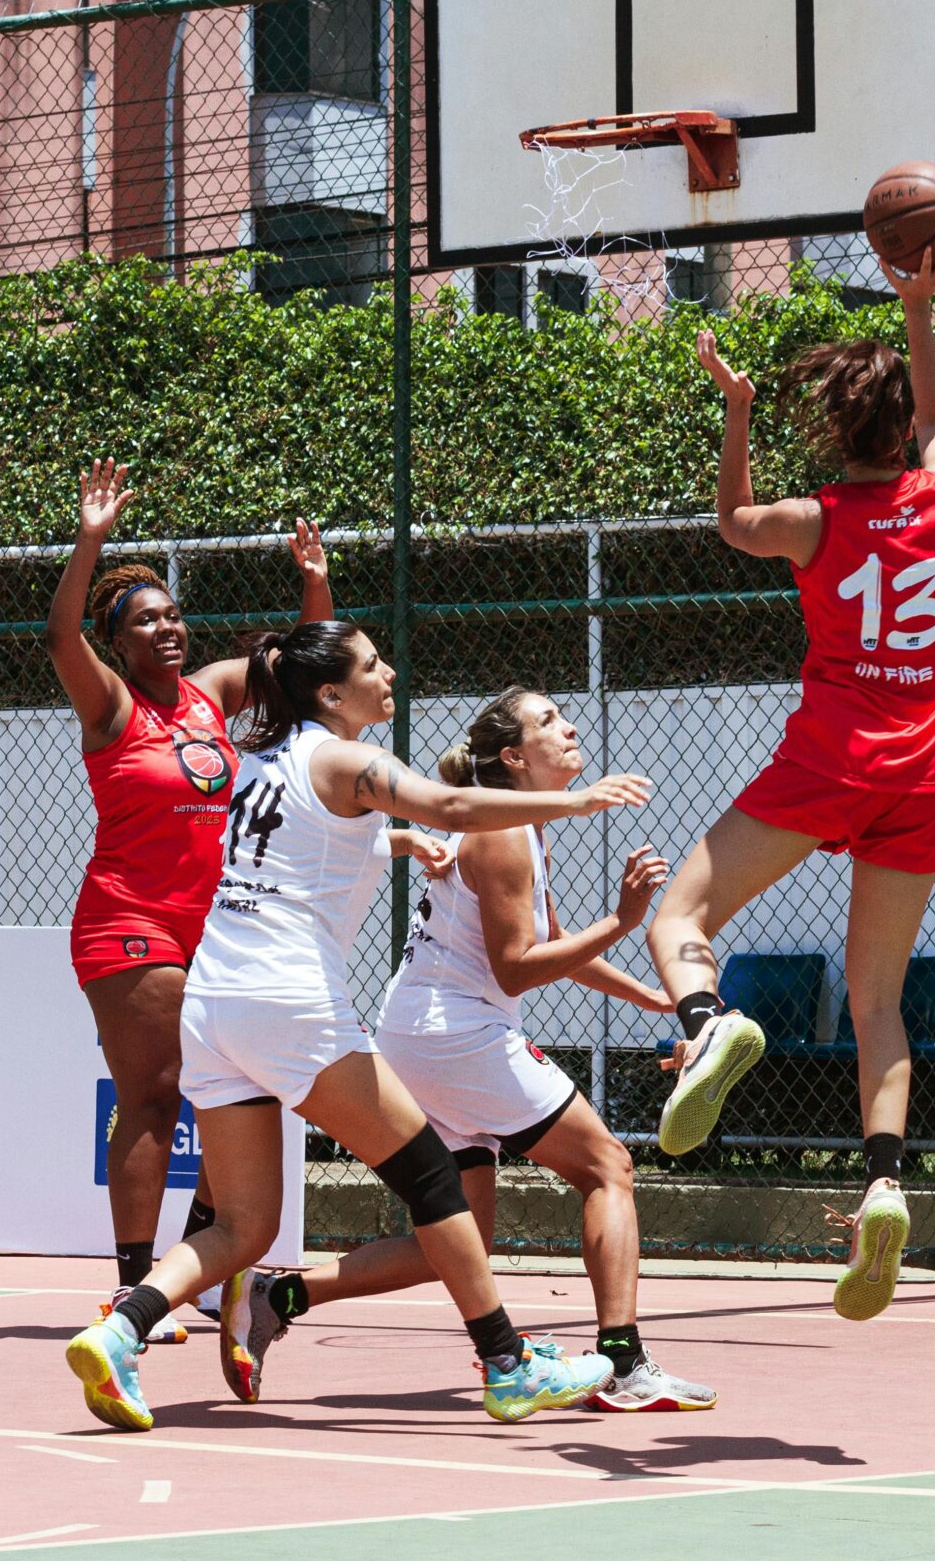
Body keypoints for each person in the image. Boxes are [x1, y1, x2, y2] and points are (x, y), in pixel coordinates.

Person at [62, 623, 653, 1431]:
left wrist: (403, 841)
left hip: (216, 1001)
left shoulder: (263, 763)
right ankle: (509, 1363)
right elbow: (449, 801)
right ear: (332, 694)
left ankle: (119, 1328)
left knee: (245, 1224)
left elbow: (318, 839)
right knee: (434, 1180)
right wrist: (574, 798)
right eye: (373, 664)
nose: (391, 672)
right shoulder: (340, 758)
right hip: (289, 1003)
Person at [224, 688, 717, 1412]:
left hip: (425, 1036)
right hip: (457, 1035)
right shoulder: (502, 833)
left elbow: (549, 946)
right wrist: (623, 918)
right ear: (514, 756)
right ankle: (624, 1364)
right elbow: (519, 964)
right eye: (549, 720)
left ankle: (278, 1292)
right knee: (608, 1165)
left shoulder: (515, 825)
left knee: (456, 1242)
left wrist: (656, 999)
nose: (571, 725)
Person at [648, 239, 935, 1323]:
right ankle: (883, 1179)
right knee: (877, 997)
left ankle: (705, 1022)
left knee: (680, 908)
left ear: (835, 431)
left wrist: (735, 411)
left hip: (833, 756)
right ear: (903, 435)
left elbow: (731, 523)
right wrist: (919, 310)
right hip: (926, 773)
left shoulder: (817, 520)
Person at [43, 458, 339, 1343]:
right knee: (158, 1092)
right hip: (127, 920)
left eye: (173, 614)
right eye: (146, 620)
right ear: (121, 641)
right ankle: (135, 1286)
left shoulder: (211, 697)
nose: (167, 628)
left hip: (215, 927)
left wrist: (315, 586)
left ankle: (197, 1269)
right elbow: (59, 637)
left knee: (233, 1084)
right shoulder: (111, 707)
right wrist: (91, 539)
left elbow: (301, 670)